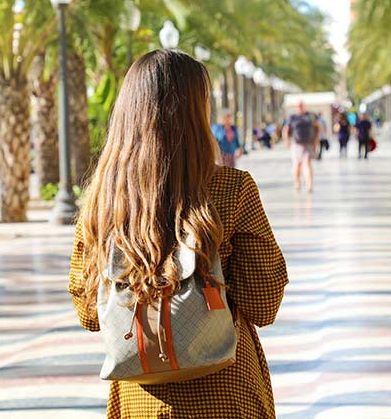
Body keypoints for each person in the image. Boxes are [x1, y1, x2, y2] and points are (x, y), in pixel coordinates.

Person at [68, 50, 288, 419]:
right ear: (196, 113)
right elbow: (264, 304)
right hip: (226, 390)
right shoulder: (232, 189)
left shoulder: (102, 201)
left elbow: (90, 314)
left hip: (141, 402)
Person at [283, 101, 320, 192]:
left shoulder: (310, 116)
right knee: (297, 164)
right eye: (298, 106)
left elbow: (318, 126)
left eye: (301, 106)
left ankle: (309, 185)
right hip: (296, 144)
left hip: (308, 144)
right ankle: (297, 183)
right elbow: (286, 129)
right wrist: (286, 140)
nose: (300, 107)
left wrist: (316, 140)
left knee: (307, 164)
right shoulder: (293, 117)